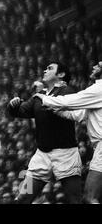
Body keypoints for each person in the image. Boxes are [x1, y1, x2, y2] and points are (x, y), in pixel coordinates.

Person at [7, 62, 82, 204]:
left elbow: (65, 106)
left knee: (74, 200)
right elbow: (22, 111)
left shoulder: (68, 91)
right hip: (41, 156)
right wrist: (13, 106)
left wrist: (47, 97)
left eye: (50, 68)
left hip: (66, 155)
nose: (45, 70)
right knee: (23, 197)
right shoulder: (39, 96)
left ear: (61, 75)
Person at [35, 61, 102, 204]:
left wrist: (43, 97)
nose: (94, 67)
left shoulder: (99, 88)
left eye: (99, 66)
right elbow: (78, 115)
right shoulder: (95, 92)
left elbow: (68, 102)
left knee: (90, 197)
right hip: (98, 147)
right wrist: (53, 108)